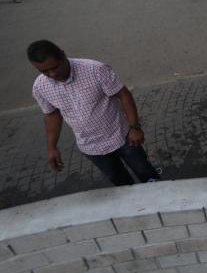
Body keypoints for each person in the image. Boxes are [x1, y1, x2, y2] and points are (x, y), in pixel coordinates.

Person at [28, 40, 160, 186]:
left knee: (145, 172)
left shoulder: (95, 70)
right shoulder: (40, 87)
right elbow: (52, 115)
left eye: (55, 67)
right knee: (120, 181)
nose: (52, 74)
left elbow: (123, 95)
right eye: (44, 71)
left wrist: (135, 127)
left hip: (123, 137)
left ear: (63, 55)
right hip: (90, 147)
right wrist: (52, 147)